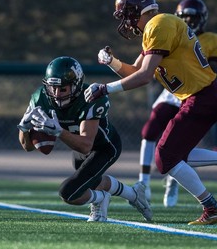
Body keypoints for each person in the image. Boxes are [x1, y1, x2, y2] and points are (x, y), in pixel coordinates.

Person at [84, 0, 217, 225]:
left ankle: (212, 207)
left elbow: (143, 76)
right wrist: (112, 62)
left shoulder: (159, 25)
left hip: (201, 97)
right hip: (200, 97)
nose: (125, 21)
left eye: (125, 14)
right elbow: (135, 70)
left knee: (165, 157)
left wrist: (105, 88)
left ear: (135, 11)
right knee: (175, 154)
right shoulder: (158, 25)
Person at [18, 56, 152, 222]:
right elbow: (28, 147)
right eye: (53, 88)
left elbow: (86, 145)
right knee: (92, 181)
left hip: (105, 147)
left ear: (76, 85)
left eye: (63, 89)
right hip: (79, 148)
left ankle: (101, 199)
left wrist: (58, 131)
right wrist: (24, 129)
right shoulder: (40, 98)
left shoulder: (90, 97)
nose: (57, 94)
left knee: (69, 192)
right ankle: (133, 194)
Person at [138, 0, 217, 208]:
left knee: (174, 148)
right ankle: (143, 181)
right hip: (173, 93)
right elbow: (144, 69)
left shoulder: (214, 41)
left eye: (192, 16)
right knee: (151, 130)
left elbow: (211, 70)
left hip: (195, 92)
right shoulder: (168, 30)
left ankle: (175, 182)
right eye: (184, 16)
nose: (188, 20)